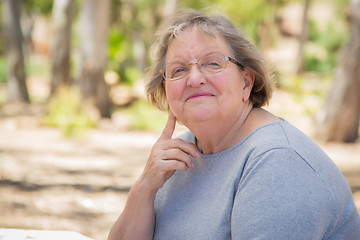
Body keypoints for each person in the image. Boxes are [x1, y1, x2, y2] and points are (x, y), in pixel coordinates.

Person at [108, 9, 360, 240]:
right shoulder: (176, 154)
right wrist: (144, 189)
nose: (194, 79)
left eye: (213, 63)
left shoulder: (277, 161)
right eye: (178, 70)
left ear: (247, 82)